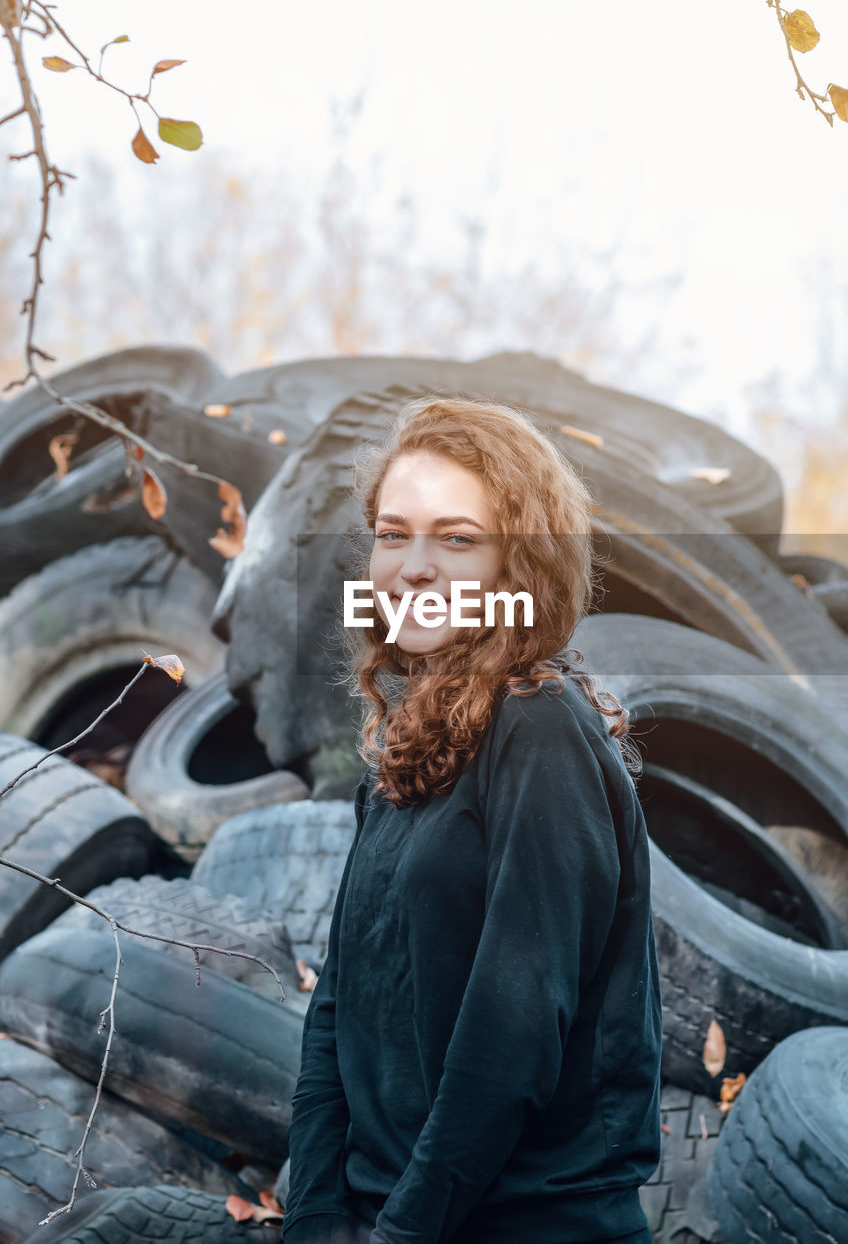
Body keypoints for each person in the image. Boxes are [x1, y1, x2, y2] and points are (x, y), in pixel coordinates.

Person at [281, 396, 662, 1244]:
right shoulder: (402, 752)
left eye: (457, 538)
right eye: (392, 533)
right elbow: (338, 1010)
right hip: (382, 1215)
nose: (413, 566)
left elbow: (515, 1028)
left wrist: (404, 1232)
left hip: (525, 1225)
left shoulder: (542, 729)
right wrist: (312, 1215)